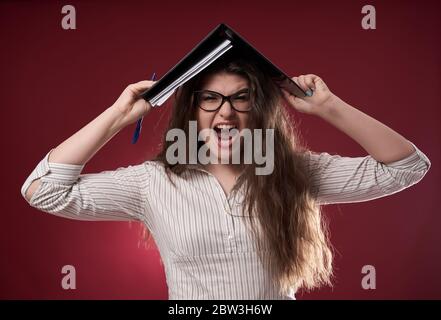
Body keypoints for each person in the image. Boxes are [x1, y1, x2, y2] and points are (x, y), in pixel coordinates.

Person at [21, 55, 431, 300]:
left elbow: (408, 167)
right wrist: (119, 116)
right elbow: (43, 191)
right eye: (211, 99)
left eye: (242, 98)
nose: (226, 112)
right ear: (193, 113)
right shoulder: (153, 182)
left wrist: (328, 107)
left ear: (260, 110)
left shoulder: (295, 171)